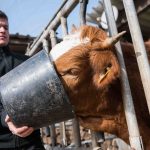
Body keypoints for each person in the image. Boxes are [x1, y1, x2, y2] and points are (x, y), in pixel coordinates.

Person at [0, 10, 45, 150]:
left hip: (32, 143)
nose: (2, 30)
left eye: (6, 27)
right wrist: (5, 119)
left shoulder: (26, 63)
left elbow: (43, 94)